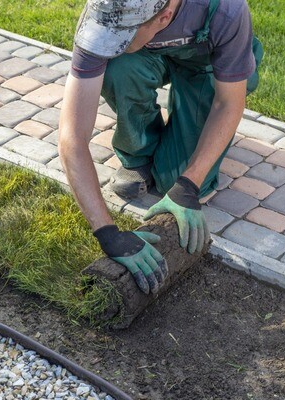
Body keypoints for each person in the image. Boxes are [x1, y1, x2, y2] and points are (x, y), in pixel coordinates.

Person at [58, 0, 262, 294]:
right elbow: (72, 136)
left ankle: (187, 117)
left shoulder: (226, 9)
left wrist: (188, 186)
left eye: (121, 34)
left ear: (165, 16)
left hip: (205, 63)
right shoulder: (106, 13)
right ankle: (138, 153)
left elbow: (229, 103)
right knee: (118, 65)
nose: (109, 40)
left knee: (176, 182)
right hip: (145, 56)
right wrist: (107, 232)